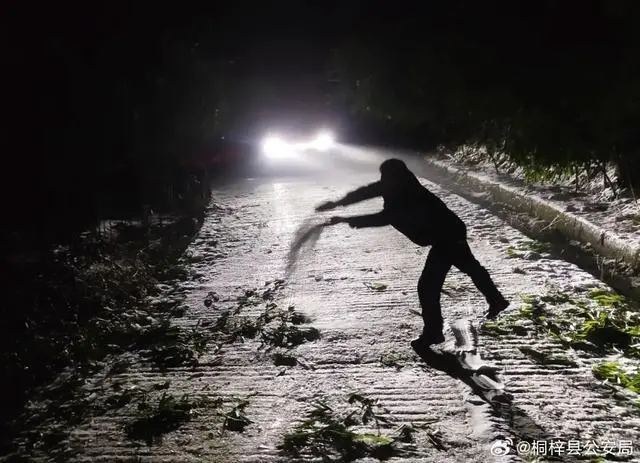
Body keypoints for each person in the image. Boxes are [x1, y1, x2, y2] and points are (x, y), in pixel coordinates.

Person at [315, 158, 510, 348]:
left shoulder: (408, 194)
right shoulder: (393, 184)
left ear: (399, 177)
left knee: (428, 287)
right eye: (384, 178)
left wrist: (345, 219)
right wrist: (338, 203)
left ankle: (434, 332)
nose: (385, 182)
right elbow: (366, 191)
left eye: (388, 178)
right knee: (470, 267)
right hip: (450, 232)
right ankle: (496, 300)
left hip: (445, 237)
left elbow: (384, 218)